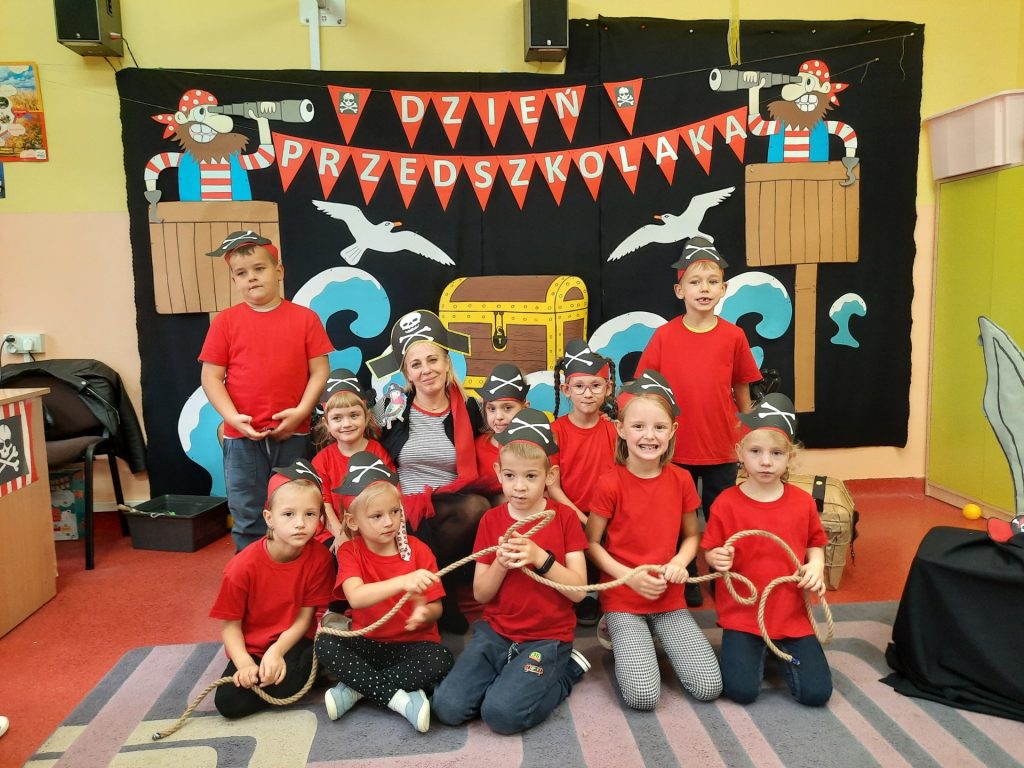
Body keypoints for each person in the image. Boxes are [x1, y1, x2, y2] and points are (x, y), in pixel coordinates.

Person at [432, 408, 591, 734]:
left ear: (549, 476)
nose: (519, 487)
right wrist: (501, 564)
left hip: (546, 638)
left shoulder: (564, 519)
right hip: (496, 632)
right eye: (510, 476)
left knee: (501, 716)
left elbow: (578, 592)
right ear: (498, 472)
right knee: (447, 707)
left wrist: (540, 558)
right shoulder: (491, 520)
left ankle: (566, 673)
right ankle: (509, 678)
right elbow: (481, 594)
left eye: (531, 476)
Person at [635, 237, 762, 606]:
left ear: (724, 288)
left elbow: (742, 390)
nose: (704, 289)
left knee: (723, 513)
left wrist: (747, 435)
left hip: (722, 445)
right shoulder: (664, 336)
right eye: (695, 282)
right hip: (676, 448)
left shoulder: (734, 336)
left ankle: (721, 573)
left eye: (712, 281)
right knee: (680, 516)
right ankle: (687, 573)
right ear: (680, 290)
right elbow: (645, 389)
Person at [586, 371, 722, 710]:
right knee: (643, 696)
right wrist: (629, 577)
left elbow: (691, 536)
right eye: (638, 426)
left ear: (672, 431)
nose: (649, 436)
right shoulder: (609, 484)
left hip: (668, 597)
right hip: (624, 597)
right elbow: (592, 544)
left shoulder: (681, 480)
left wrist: (679, 561)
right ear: (621, 429)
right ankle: (616, 626)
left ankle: (656, 633)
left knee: (709, 686)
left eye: (659, 427)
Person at [200, 231, 333, 551]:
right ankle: (251, 571)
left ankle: (293, 570)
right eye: (241, 273)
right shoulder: (225, 322)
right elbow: (211, 377)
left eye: (259, 269)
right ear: (234, 280)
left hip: (293, 433)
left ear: (279, 271)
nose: (251, 278)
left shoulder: (305, 319)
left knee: (296, 508)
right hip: (242, 436)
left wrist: (301, 412)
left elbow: (320, 371)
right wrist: (233, 417)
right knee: (247, 511)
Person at [702, 393, 831, 706]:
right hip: (743, 616)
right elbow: (711, 550)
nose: (765, 461)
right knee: (741, 691)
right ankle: (755, 650)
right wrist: (715, 558)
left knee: (817, 693)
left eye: (776, 453)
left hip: (791, 615)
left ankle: (776, 651)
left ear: (790, 457)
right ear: (739, 453)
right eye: (755, 451)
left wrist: (815, 565)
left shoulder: (802, 503)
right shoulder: (726, 503)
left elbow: (815, 543)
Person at [367, 309, 490, 631]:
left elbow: (499, 437)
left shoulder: (470, 408)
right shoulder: (391, 406)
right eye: (416, 364)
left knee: (477, 507)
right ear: (406, 373)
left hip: (450, 503)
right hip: (402, 503)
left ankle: (435, 591)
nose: (426, 370)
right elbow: (357, 430)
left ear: (447, 363)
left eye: (433, 360)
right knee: (413, 519)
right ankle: (440, 598)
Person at [315, 453, 453, 732]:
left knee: (442, 660)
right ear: (353, 521)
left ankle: (357, 689)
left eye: (395, 512)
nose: (389, 522)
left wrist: (424, 612)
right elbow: (356, 597)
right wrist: (404, 582)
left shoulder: (418, 550)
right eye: (376, 516)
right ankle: (401, 699)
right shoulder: (350, 551)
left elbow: (436, 608)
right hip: (369, 643)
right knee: (325, 643)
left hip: (414, 646)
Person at [209, 461, 337, 719]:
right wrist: (245, 664)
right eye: (288, 514)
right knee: (228, 702)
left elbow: (305, 618)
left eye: (310, 514)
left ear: (320, 518)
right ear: (269, 518)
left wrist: (277, 651)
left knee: (288, 683)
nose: (300, 524)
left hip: (293, 639)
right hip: (253, 647)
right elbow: (230, 627)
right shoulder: (241, 568)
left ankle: (310, 670)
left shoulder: (320, 558)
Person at [548, 338, 618, 626]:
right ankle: (583, 591)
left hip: (606, 513)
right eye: (579, 386)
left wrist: (601, 519)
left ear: (608, 388)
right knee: (573, 536)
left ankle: (611, 590)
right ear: (566, 389)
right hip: (570, 513)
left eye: (596, 386)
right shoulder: (556, 431)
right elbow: (553, 487)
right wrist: (584, 519)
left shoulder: (614, 431)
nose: (587, 394)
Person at [312, 368, 393, 552]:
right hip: (334, 531)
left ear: (366, 417)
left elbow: (390, 492)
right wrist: (340, 534)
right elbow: (323, 503)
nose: (347, 424)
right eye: (337, 418)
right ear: (327, 423)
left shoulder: (377, 452)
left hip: (376, 528)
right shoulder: (322, 460)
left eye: (354, 415)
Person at [472, 363, 530, 501]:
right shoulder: (477, 447)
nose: (498, 416)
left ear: (525, 407)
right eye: (491, 409)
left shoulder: (536, 446)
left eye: (507, 408)